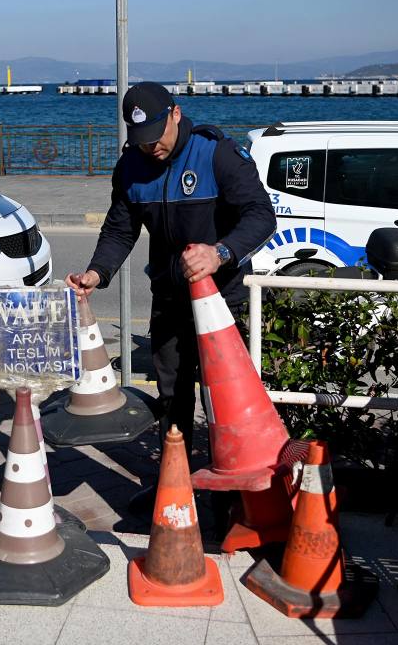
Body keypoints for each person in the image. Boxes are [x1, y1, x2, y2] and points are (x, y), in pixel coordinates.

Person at [65, 82, 277, 509]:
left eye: (157, 136)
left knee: (224, 399)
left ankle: (234, 495)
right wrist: (96, 272)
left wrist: (221, 253)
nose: (152, 148)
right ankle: (175, 488)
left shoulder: (216, 153)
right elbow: (120, 228)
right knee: (172, 397)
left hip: (223, 303)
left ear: (176, 114)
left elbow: (261, 215)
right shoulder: (131, 166)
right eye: (141, 141)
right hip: (169, 300)